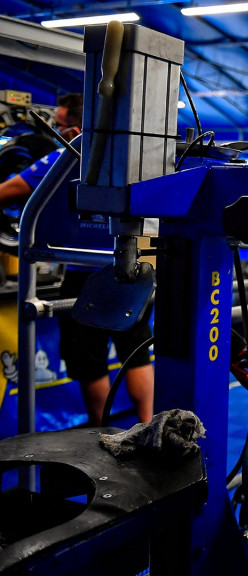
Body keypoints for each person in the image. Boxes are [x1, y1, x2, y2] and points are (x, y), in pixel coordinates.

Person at [0, 93, 154, 427]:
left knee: (90, 362)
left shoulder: (64, 158)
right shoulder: (136, 161)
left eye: (60, 123)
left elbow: (6, 192)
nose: (58, 129)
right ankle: (145, 428)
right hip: (134, 269)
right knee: (136, 351)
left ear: (76, 126)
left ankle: (103, 437)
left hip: (83, 276)